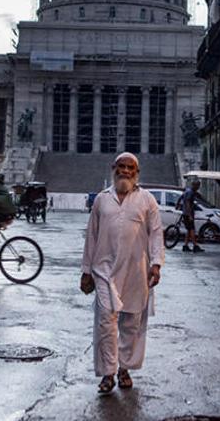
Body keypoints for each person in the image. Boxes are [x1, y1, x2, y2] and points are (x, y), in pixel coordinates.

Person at [80, 152, 164, 394]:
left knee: (131, 324)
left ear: (136, 172)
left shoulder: (147, 200)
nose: (125, 171)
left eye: (130, 168)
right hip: (104, 271)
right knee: (105, 324)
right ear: (113, 168)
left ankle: (124, 368)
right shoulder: (101, 200)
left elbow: (157, 233)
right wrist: (86, 271)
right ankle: (108, 373)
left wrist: (156, 264)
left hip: (136, 271)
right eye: (121, 166)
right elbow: (91, 237)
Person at [176, 179, 204, 252]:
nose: (198, 187)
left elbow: (181, 197)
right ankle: (195, 246)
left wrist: (177, 204)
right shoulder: (190, 192)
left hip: (186, 213)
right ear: (194, 185)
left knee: (189, 230)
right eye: (198, 186)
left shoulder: (189, 191)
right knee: (192, 229)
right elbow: (188, 203)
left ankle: (185, 246)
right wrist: (190, 215)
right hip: (188, 214)